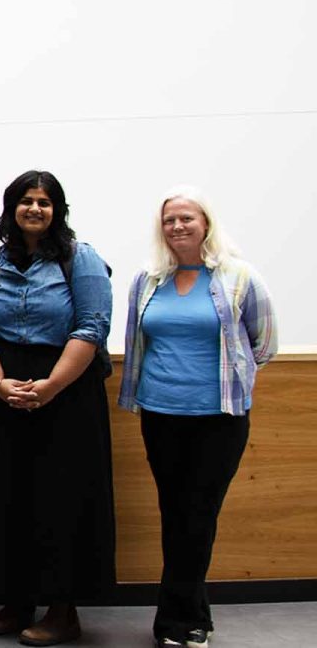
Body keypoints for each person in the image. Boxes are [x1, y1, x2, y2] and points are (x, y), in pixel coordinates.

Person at [0, 170, 115, 647]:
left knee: (62, 500)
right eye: (25, 201)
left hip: (68, 393)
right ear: (11, 209)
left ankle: (63, 609)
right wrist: (0, 384)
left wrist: (49, 387)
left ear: (57, 210)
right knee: (8, 495)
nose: (34, 209)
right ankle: (17, 599)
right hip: (5, 391)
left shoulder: (81, 258)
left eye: (44, 202)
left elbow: (91, 327)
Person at [119, 187, 277, 648]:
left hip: (219, 418)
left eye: (187, 218)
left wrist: (229, 381)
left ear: (205, 223)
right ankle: (190, 619)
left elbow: (263, 344)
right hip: (161, 414)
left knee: (199, 514)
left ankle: (177, 621)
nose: (178, 226)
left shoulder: (239, 277)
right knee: (176, 514)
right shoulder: (147, 281)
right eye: (169, 220)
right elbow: (136, 340)